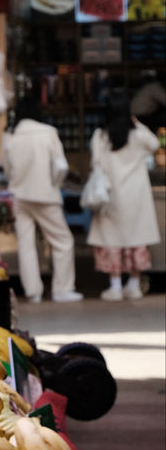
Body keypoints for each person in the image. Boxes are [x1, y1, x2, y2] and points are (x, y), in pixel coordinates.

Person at [1, 96, 83, 304]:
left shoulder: (10, 135)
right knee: (62, 241)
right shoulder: (48, 133)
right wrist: (54, 184)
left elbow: (7, 170)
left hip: (18, 196)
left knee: (26, 245)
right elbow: (61, 167)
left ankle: (33, 292)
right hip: (46, 196)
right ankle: (62, 289)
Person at [86, 95, 160, 301]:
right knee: (135, 240)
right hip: (137, 197)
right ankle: (134, 284)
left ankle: (115, 285)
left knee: (112, 241)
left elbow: (95, 164)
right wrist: (139, 124)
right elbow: (155, 144)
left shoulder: (100, 136)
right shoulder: (137, 134)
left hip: (110, 196)